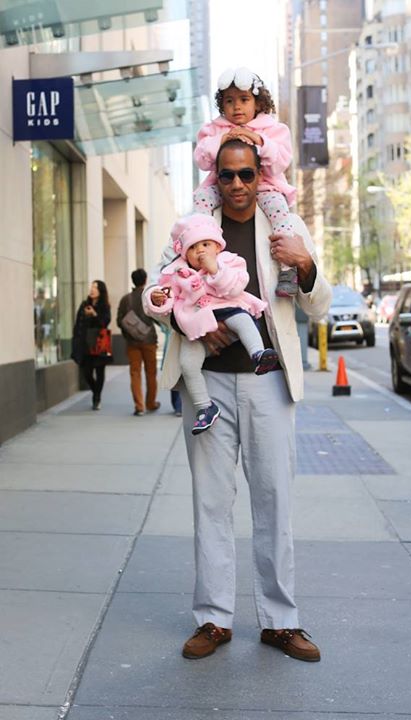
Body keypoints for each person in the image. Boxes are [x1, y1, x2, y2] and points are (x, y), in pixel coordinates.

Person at [144, 139, 331, 663]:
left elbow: (318, 304)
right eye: (227, 175)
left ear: (259, 173)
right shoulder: (194, 226)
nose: (237, 184)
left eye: (246, 174)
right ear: (216, 177)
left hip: (268, 383)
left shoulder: (284, 225)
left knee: (274, 500)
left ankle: (280, 622)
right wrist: (186, 321)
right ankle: (214, 619)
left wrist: (306, 265)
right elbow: (156, 290)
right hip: (205, 385)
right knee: (210, 501)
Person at [144, 213, 279, 434]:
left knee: (243, 320)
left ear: (217, 247)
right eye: (193, 247)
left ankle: (258, 354)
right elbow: (168, 298)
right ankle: (205, 407)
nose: (200, 251)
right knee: (188, 364)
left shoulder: (229, 261)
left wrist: (214, 268)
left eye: (206, 244)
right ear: (183, 253)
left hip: (228, 308)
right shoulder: (178, 272)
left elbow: (235, 287)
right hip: (196, 323)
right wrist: (158, 299)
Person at [193, 66, 298, 298]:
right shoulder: (214, 129)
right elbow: (201, 159)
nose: (237, 107)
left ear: (258, 103)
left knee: (281, 214)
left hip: (267, 187)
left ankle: (288, 270)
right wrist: (221, 140)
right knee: (200, 200)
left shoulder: (273, 129)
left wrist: (260, 140)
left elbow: (280, 162)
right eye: (229, 101)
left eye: (244, 99)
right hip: (222, 186)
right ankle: (202, 252)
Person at [117, 269, 160, 417]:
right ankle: (151, 403)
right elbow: (157, 317)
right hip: (149, 340)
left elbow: (119, 321)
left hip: (132, 342)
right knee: (151, 373)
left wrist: (130, 333)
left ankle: (139, 406)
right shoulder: (148, 298)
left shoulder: (125, 299)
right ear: (145, 280)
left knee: (135, 373)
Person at [72, 280, 112, 410]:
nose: (92, 289)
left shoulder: (105, 306)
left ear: (101, 291)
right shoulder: (84, 305)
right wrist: (76, 340)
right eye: (92, 287)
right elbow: (78, 324)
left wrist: (94, 314)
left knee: (100, 372)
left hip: (99, 343)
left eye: (95, 287)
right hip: (85, 344)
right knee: (87, 373)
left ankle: (97, 398)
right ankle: (96, 391)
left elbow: (105, 322)